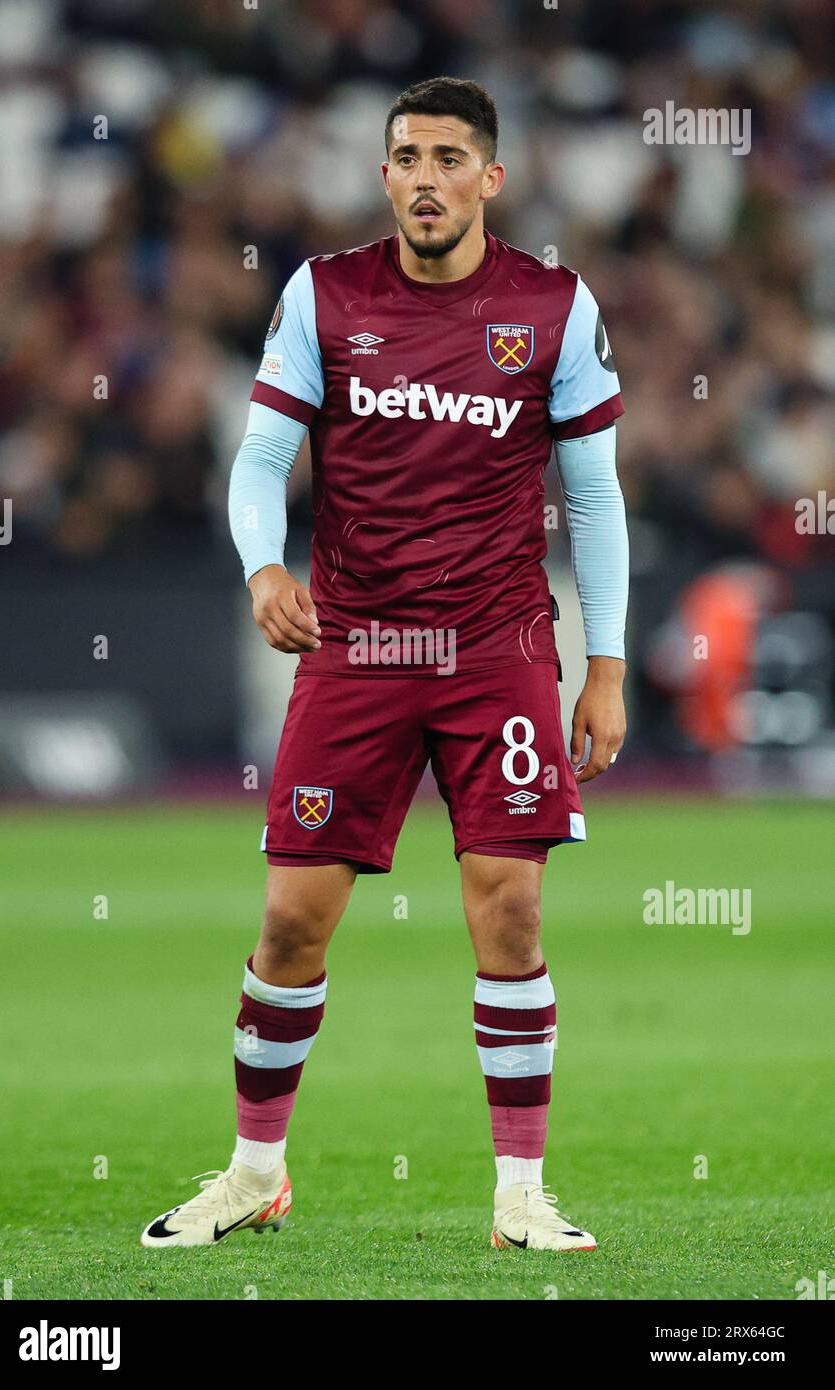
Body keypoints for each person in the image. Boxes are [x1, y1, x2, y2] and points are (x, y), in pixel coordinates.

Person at [141, 76, 628, 1253]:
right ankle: (256, 1171)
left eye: (448, 158)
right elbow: (260, 460)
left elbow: (593, 494)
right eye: (405, 155)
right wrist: (264, 567)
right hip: (354, 648)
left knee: (507, 909)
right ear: (382, 175)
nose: (424, 176)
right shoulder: (323, 294)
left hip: (496, 646)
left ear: (489, 179)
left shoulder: (551, 307)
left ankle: (519, 1195)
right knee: (291, 926)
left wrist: (600, 664)